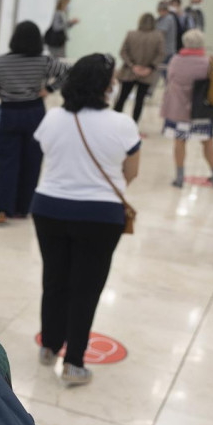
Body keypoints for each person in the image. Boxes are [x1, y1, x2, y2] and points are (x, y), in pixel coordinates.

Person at [32, 54, 141, 385]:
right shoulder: (123, 124)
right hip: (100, 216)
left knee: (54, 280)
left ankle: (49, 346)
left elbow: (51, 157)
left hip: (49, 208)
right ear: (107, 86)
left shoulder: (52, 119)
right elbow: (130, 174)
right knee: (86, 288)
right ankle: (74, 364)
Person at [0, 21, 70, 223]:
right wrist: (49, 89)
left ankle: (2, 209)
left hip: (9, 112)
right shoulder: (44, 61)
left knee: (8, 162)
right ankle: (24, 207)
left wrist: (7, 92)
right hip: (34, 112)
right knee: (32, 161)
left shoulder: (0, 62)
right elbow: (68, 72)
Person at [161, 29, 213, 188]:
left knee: (180, 142)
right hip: (201, 111)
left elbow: (170, 79)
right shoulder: (209, 61)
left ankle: (180, 177)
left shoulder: (175, 60)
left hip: (179, 110)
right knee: (207, 142)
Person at [113, 13, 165, 125]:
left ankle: (114, 123)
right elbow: (161, 54)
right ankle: (134, 125)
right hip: (147, 74)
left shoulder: (131, 34)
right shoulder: (158, 36)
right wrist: (150, 67)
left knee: (122, 98)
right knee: (139, 100)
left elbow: (123, 52)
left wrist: (132, 65)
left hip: (129, 72)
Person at [156, 1, 179, 78]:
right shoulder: (161, 19)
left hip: (166, 51)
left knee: (165, 72)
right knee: (163, 72)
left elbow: (161, 33)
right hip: (165, 50)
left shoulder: (168, 18)